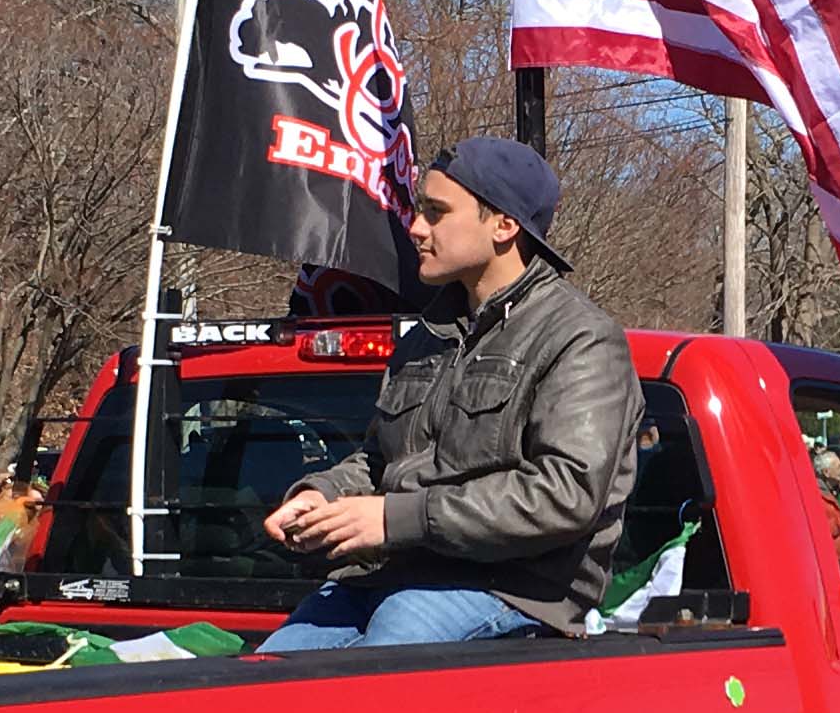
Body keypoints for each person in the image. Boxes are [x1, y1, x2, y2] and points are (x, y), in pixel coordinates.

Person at [261, 137, 640, 650]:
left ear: (504, 226)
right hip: (386, 575)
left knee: (369, 682)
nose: (416, 228)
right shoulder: (426, 335)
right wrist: (320, 496)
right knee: (263, 686)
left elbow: (566, 494)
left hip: (517, 589)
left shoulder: (581, 338)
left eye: (437, 213)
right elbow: (379, 462)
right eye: (421, 211)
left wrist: (395, 519)